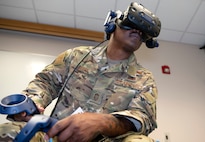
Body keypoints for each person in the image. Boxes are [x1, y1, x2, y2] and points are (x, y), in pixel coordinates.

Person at [0, 2, 161, 142]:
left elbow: (143, 119)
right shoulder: (76, 56)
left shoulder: (144, 79)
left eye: (143, 32)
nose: (138, 32)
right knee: (10, 132)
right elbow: (46, 82)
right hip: (56, 135)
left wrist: (102, 122)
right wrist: (34, 102)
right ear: (112, 24)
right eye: (132, 25)